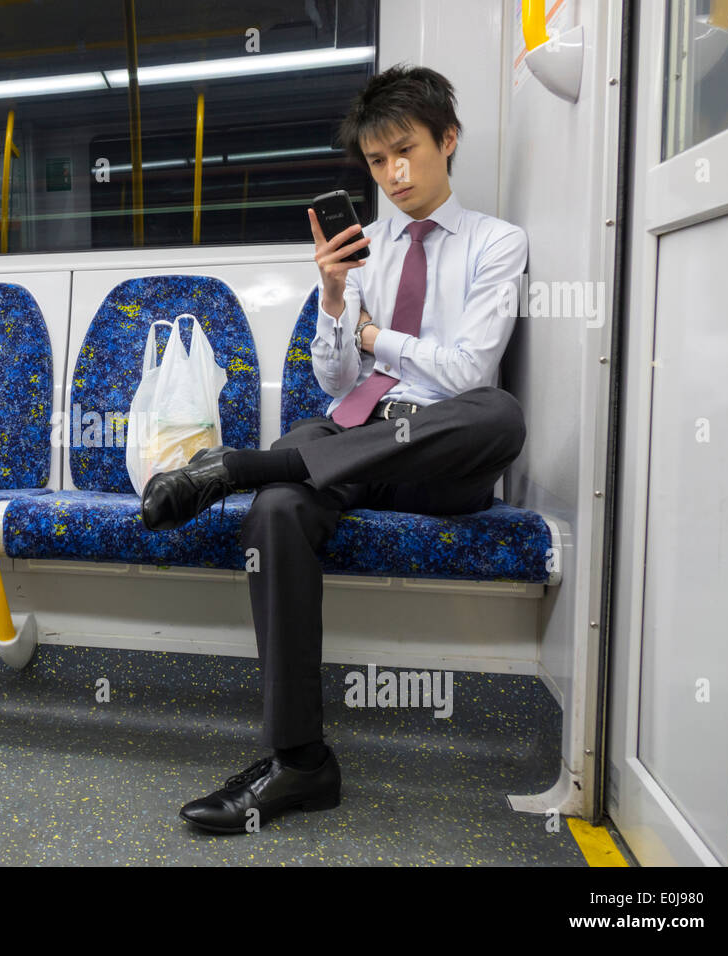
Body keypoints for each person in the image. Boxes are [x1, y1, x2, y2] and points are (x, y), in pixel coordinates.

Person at [141, 65, 529, 834]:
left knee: (502, 414)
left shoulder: (497, 243)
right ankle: (300, 762)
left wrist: (376, 334)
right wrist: (331, 298)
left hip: (433, 451)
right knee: (281, 510)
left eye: (407, 152)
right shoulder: (366, 244)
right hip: (352, 433)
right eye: (378, 160)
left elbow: (467, 372)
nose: (393, 174)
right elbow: (335, 378)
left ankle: (244, 467)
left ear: (448, 142)